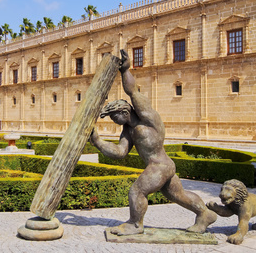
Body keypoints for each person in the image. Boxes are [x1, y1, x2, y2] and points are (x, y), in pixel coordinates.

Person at [90, 50, 217, 235]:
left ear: (125, 112)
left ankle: (135, 224)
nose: (113, 121)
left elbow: (132, 92)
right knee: (178, 195)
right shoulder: (129, 131)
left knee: (136, 192)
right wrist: (98, 141)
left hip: (159, 166)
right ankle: (205, 214)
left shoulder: (147, 118)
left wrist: (125, 71)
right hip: (164, 166)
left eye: (114, 116)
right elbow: (120, 152)